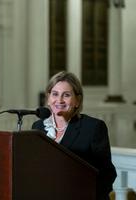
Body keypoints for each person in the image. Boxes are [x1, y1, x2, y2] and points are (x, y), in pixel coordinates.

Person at [32, 71, 116, 200]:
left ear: (77, 100)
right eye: (55, 94)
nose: (59, 100)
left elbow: (107, 174)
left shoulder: (93, 127)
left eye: (66, 95)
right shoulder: (38, 127)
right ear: (48, 98)